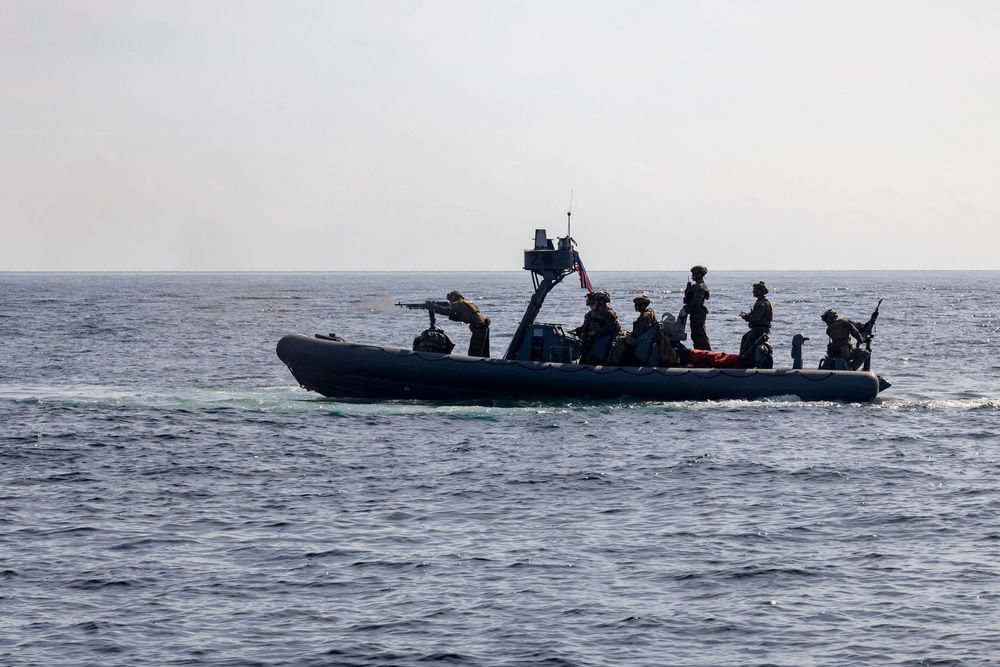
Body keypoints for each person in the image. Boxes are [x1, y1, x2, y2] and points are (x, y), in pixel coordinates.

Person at [430, 290, 490, 357]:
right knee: (484, 351)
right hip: (482, 326)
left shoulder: (458, 303)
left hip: (478, 327)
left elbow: (448, 311)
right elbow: (464, 316)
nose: (450, 301)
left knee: (474, 352)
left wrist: (435, 307)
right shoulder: (466, 302)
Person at [609, 295, 657, 365]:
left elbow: (637, 333)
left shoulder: (644, 317)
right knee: (624, 334)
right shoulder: (649, 314)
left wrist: (628, 334)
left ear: (642, 306)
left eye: (637, 305)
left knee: (621, 339)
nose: (635, 306)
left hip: (639, 341)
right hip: (642, 339)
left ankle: (615, 361)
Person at [580, 291, 619, 364]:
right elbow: (587, 323)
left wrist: (596, 332)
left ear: (602, 301)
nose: (595, 301)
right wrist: (583, 332)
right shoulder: (593, 312)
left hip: (601, 339)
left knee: (591, 357)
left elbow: (610, 328)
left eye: (597, 299)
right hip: (591, 338)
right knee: (584, 355)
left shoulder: (608, 313)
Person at [739, 281, 773, 360]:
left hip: (759, 329)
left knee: (747, 346)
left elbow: (756, 317)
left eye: (755, 290)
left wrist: (746, 317)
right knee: (745, 338)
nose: (753, 291)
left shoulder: (762, 303)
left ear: (759, 291)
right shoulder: (763, 302)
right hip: (761, 328)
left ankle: (743, 361)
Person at [682, 265, 711, 350]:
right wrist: (688, 289)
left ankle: (707, 354)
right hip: (695, 314)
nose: (692, 276)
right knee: (695, 336)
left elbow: (696, 302)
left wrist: (686, 310)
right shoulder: (695, 286)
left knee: (700, 335)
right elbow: (688, 300)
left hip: (698, 314)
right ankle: (699, 355)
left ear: (698, 275)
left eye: (694, 274)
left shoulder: (700, 287)